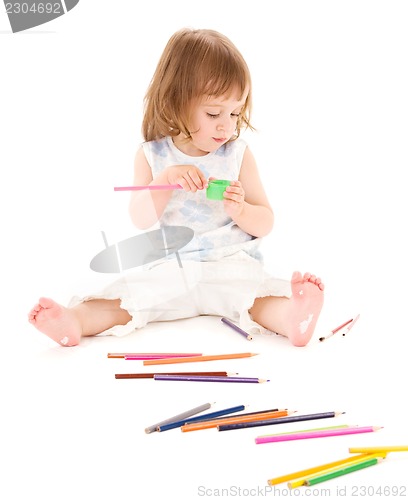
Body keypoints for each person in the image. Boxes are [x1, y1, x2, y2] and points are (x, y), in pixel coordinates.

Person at [28, 28, 324, 348]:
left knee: (256, 296)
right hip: (173, 266)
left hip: (229, 263)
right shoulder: (153, 155)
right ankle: (74, 320)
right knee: (130, 297)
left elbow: (265, 220)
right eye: (213, 113)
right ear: (176, 103)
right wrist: (165, 181)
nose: (227, 125)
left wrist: (241, 210)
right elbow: (141, 219)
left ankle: (293, 318)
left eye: (235, 112)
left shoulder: (237, 154)